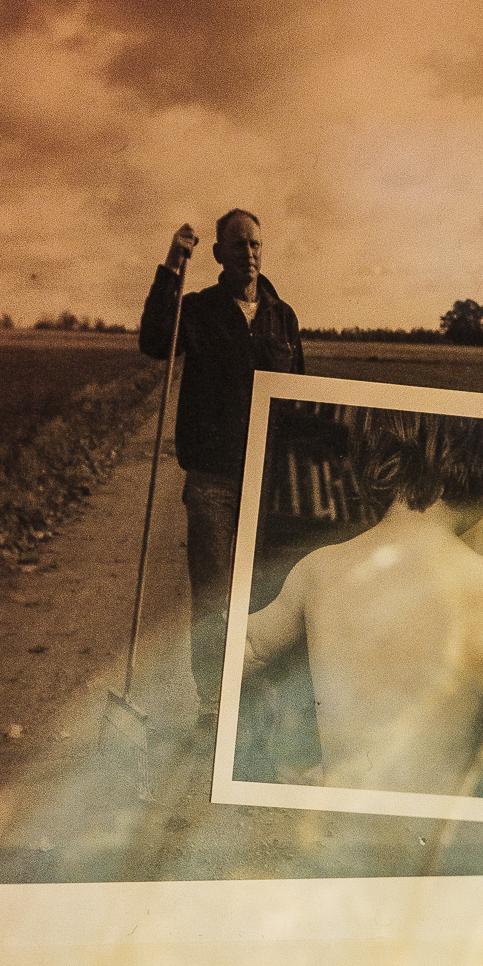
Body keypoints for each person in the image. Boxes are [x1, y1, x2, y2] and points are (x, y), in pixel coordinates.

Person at [240, 411, 483, 803]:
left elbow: (248, 648)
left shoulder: (318, 568)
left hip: (343, 812)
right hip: (430, 822)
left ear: (372, 458)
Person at [139, 209, 304, 720]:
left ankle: (255, 690)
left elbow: (299, 399)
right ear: (217, 254)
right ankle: (214, 699)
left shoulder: (283, 317)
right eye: (238, 245)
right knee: (213, 592)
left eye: (255, 244)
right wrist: (172, 263)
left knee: (265, 590)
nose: (249, 254)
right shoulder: (198, 310)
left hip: (266, 479)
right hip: (212, 477)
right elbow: (153, 340)